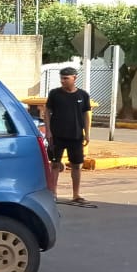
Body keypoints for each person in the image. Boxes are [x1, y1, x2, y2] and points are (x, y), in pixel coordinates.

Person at [43, 67, 93, 205]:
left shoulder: (83, 95)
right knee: (55, 164)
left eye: (66, 78)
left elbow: (86, 114)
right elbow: (47, 112)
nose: (63, 81)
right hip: (57, 136)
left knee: (76, 165)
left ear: (74, 78)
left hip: (76, 136)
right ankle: (53, 193)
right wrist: (48, 131)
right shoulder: (55, 94)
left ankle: (76, 194)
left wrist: (87, 133)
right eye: (61, 78)